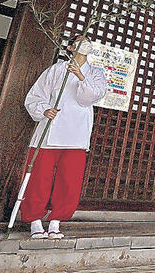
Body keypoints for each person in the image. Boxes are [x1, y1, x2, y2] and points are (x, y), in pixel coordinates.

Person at [22, 36, 108, 239]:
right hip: (49, 131)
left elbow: (89, 98)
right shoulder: (56, 70)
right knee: (38, 178)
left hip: (76, 134)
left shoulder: (96, 73)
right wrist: (44, 110)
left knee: (69, 181)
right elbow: (35, 96)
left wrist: (80, 76)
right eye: (79, 40)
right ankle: (35, 221)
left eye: (87, 40)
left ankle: (55, 221)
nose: (85, 42)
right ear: (70, 47)